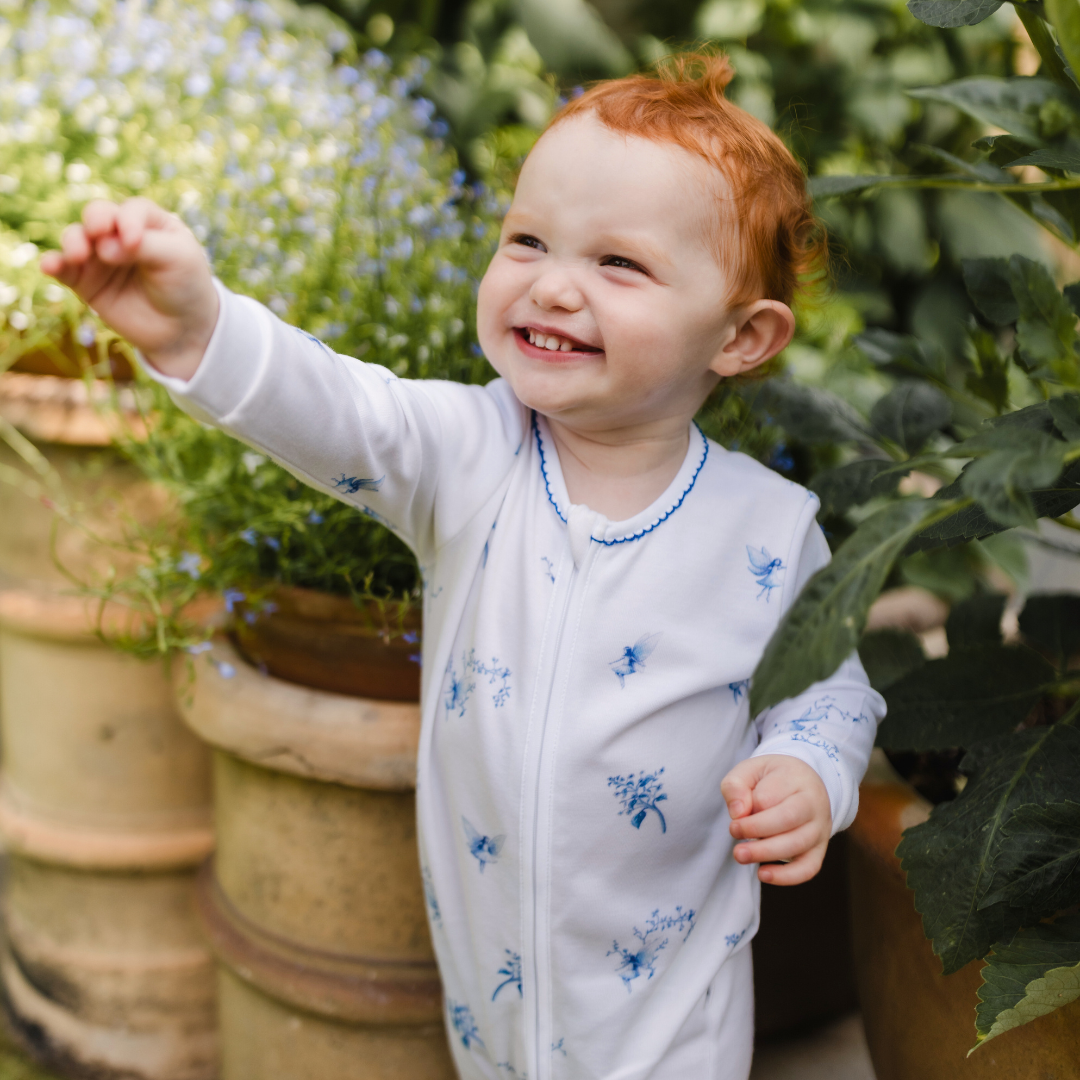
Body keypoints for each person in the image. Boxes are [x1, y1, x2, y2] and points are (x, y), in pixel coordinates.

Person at [42, 52, 884, 1080]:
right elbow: (343, 411)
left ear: (743, 336)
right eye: (526, 240)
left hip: (672, 1015)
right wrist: (201, 329)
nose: (552, 284)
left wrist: (809, 771)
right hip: (494, 1003)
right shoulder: (471, 457)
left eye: (619, 264)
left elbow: (833, 693)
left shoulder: (768, 529)